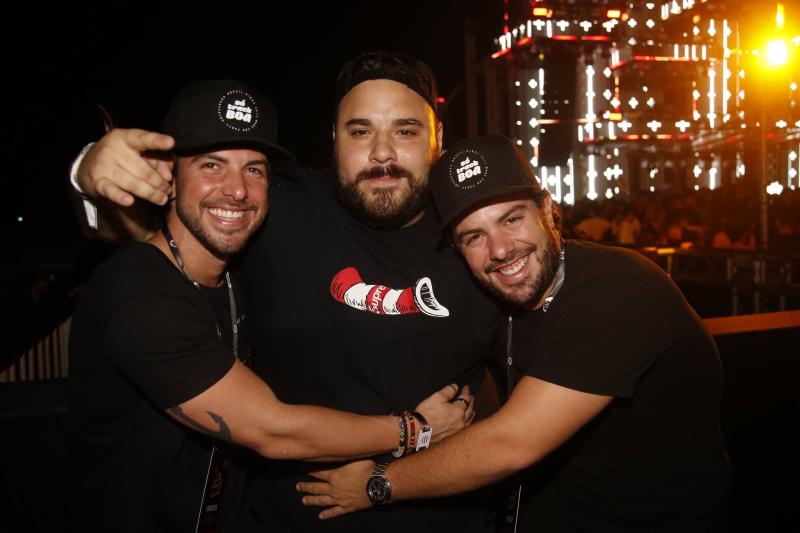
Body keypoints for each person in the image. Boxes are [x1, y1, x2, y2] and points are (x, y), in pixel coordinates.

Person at [71, 53, 503, 532]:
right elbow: (164, 228)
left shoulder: (485, 237)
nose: (382, 153)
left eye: (405, 130)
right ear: (334, 139)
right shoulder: (277, 211)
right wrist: (85, 173)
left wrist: (401, 472)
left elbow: (518, 394)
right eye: (360, 131)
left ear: (437, 136)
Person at [296, 135, 732, 531]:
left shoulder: (618, 288)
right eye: (474, 237)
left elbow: (511, 444)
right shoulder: (494, 301)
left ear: (546, 210)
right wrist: (421, 424)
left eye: (511, 219)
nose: (501, 249)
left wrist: (377, 483)